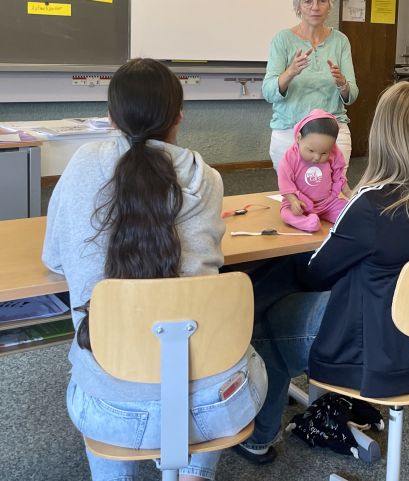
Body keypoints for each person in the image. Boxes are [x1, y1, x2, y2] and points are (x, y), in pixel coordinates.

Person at [42, 58, 267, 481]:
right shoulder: (209, 178)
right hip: (215, 407)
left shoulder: (82, 165)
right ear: (179, 115)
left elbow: (54, 260)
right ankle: (194, 474)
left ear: (111, 117)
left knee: (101, 381)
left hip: (111, 410)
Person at [233, 81, 409, 462]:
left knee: (265, 326)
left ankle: (258, 436)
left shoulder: (373, 206)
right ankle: (327, 409)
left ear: (384, 137)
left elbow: (316, 275)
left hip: (375, 354)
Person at [264, 0, 358, 187]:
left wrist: (342, 83)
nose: (315, 7)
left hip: (332, 131)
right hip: (289, 131)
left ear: (330, 6)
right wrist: (290, 73)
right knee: (295, 196)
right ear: (298, 6)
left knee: (334, 190)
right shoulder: (282, 40)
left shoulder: (340, 41)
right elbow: (268, 92)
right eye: (308, 1)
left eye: (322, 1)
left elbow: (352, 95)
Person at [278, 109, 348, 232]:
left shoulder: (334, 154)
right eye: (311, 151)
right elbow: (285, 182)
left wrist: (348, 192)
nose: (316, 157)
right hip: (301, 204)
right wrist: (293, 201)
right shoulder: (290, 157)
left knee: (348, 210)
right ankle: (307, 222)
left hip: (327, 204)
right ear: (299, 138)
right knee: (286, 213)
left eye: (324, 152)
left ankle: (342, 217)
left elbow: (339, 175)